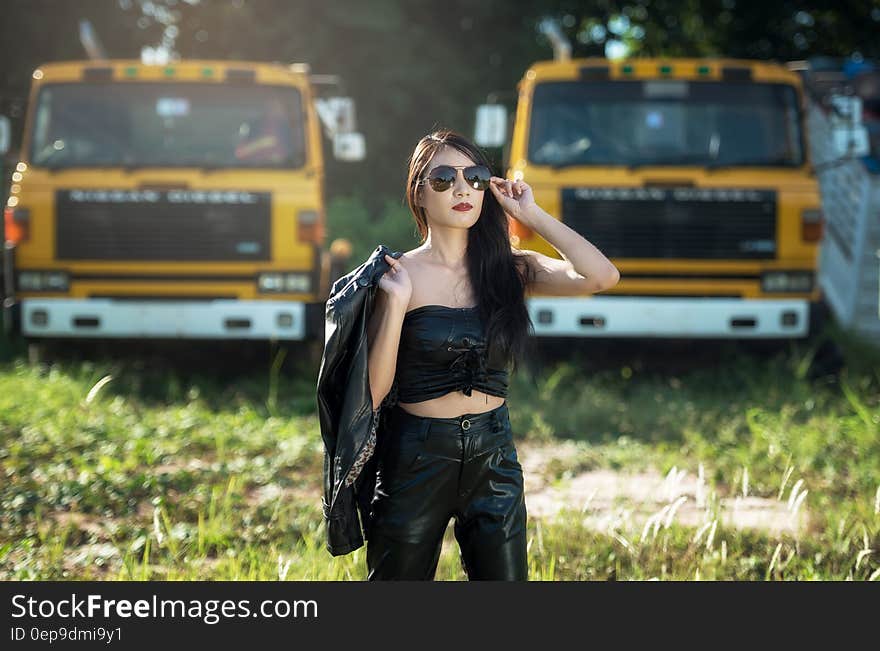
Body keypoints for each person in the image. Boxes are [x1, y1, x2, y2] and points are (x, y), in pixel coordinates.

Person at [364, 128, 620, 580]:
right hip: (416, 459)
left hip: (494, 455)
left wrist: (531, 213)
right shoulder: (398, 274)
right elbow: (374, 392)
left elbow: (601, 276)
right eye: (444, 178)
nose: (462, 188)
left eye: (474, 176)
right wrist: (398, 304)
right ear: (419, 193)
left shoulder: (511, 268)